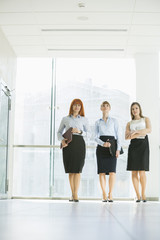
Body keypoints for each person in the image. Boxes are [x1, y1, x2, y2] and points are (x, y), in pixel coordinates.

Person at [57, 99, 89, 202]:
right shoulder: (65, 119)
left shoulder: (84, 119)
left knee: (78, 170)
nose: (77, 107)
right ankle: (73, 194)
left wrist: (79, 131)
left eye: (79, 106)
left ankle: (75, 194)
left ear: (81, 107)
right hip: (69, 144)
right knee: (71, 170)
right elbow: (59, 132)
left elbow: (89, 134)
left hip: (79, 143)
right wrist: (62, 140)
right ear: (72, 106)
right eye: (75, 105)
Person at [95, 101, 122, 202]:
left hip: (112, 146)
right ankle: (103, 194)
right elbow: (95, 137)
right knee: (101, 172)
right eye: (103, 106)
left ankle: (110, 194)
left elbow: (119, 136)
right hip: (101, 147)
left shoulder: (115, 121)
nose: (105, 107)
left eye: (107, 106)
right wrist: (102, 144)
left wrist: (118, 149)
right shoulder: (97, 122)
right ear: (101, 108)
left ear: (110, 108)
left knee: (112, 172)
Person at [125, 102, 151, 202]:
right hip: (133, 146)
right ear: (131, 111)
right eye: (132, 109)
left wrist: (135, 132)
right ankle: (137, 195)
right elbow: (127, 137)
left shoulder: (146, 119)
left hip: (143, 145)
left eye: (136, 108)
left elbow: (149, 130)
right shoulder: (129, 123)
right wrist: (140, 133)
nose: (135, 110)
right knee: (134, 172)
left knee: (142, 171)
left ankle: (143, 194)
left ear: (139, 109)